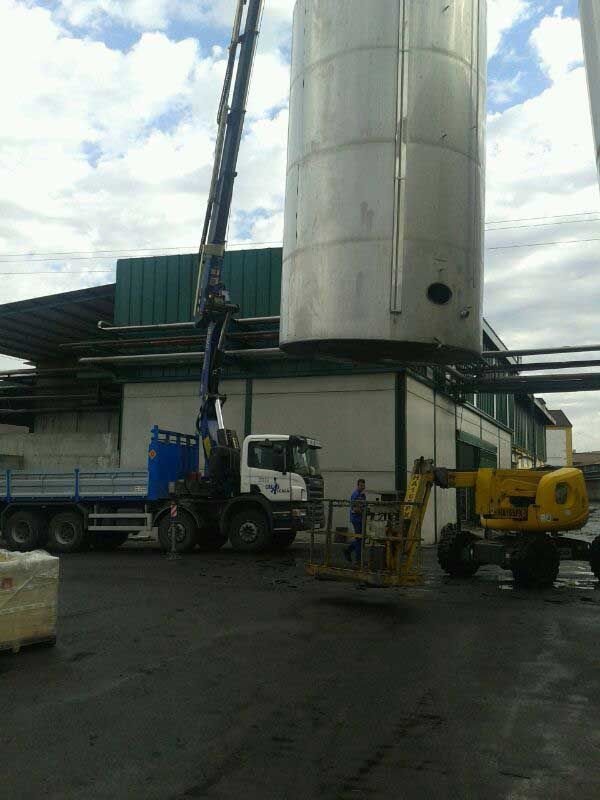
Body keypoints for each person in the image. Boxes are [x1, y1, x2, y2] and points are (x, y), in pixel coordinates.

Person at [344, 479, 366, 564]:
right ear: (358, 486)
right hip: (356, 519)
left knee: (359, 539)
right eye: (361, 485)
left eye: (363, 485)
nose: (362, 487)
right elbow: (354, 509)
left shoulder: (362, 495)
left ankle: (348, 551)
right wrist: (363, 512)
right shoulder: (355, 495)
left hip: (360, 519)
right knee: (359, 539)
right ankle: (358, 560)